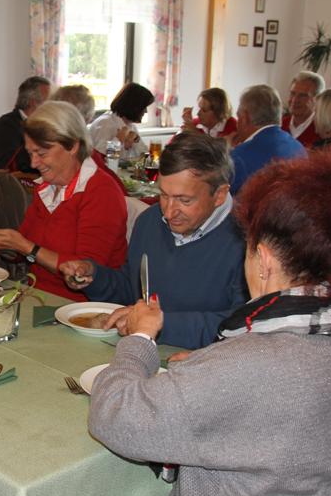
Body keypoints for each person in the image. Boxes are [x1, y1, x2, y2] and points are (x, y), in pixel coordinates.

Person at [62, 145, 331, 496]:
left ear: (265, 258)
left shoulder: (248, 362)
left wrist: (139, 341)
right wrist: (212, 367)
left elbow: (115, 417)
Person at [59, 133, 248, 349]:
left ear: (220, 195)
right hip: (145, 351)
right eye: (164, 195)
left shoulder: (249, 241)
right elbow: (133, 289)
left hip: (207, 363)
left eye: (184, 200)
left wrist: (158, 324)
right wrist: (94, 276)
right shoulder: (149, 222)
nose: (168, 212)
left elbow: (243, 328)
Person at [0, 101, 127, 300]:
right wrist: (1, 243)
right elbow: (25, 249)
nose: (34, 163)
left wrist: (26, 247)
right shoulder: (47, 187)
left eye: (42, 154)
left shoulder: (101, 191)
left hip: (83, 308)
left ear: (72, 146)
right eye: (30, 153)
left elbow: (84, 272)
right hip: (39, 296)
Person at [229, 84, 306, 194]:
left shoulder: (239, 157)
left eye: (238, 116)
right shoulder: (298, 147)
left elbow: (220, 201)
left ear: (245, 118)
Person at [0, 75, 51, 173]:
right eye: (49, 102)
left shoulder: (38, 125)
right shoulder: (4, 127)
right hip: (4, 185)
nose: (52, 107)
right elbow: (12, 166)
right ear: (34, 102)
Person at [88, 82, 154, 158]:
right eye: (144, 107)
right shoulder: (105, 124)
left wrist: (136, 141)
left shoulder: (130, 125)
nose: (146, 111)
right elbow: (101, 159)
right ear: (134, 106)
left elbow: (145, 156)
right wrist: (119, 139)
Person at [281, 71, 324, 148]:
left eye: (303, 95)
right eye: (292, 93)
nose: (294, 100)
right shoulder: (279, 125)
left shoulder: (322, 132)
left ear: (317, 99)